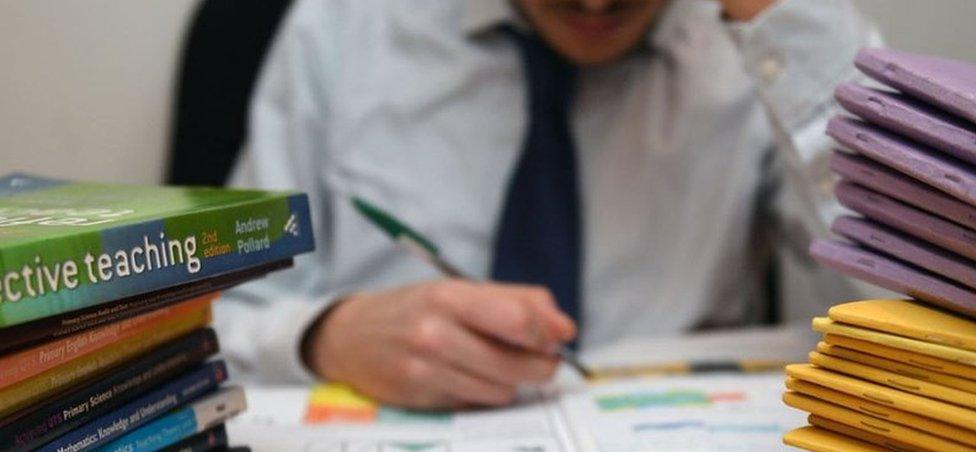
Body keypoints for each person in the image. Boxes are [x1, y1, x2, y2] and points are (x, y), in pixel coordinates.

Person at [216, 0, 880, 409]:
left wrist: (781, 27)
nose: (596, 4)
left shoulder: (769, 40)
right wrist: (325, 338)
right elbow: (206, 328)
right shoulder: (339, 27)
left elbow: (928, 306)